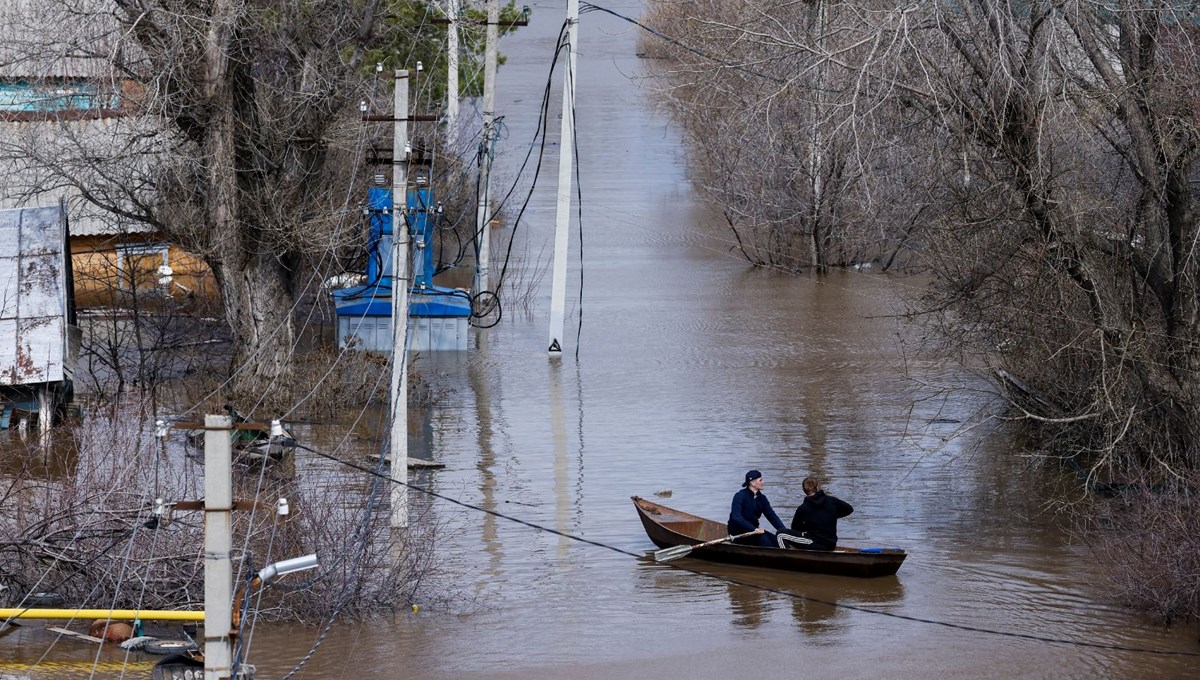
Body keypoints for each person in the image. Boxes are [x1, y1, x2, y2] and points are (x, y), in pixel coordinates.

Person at [778, 476, 853, 550]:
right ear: (818, 487)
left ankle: (787, 558)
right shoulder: (832, 501)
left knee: (780, 534)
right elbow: (849, 509)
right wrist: (831, 516)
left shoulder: (803, 508)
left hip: (815, 543)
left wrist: (808, 526)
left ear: (804, 491)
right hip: (831, 545)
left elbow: (795, 528)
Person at [728, 469, 786, 547]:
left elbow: (772, 516)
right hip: (739, 533)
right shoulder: (740, 496)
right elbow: (736, 517)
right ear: (753, 483)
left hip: (754, 531)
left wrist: (784, 531)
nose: (763, 482)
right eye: (760, 480)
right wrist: (754, 529)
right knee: (765, 540)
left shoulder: (762, 498)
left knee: (779, 541)